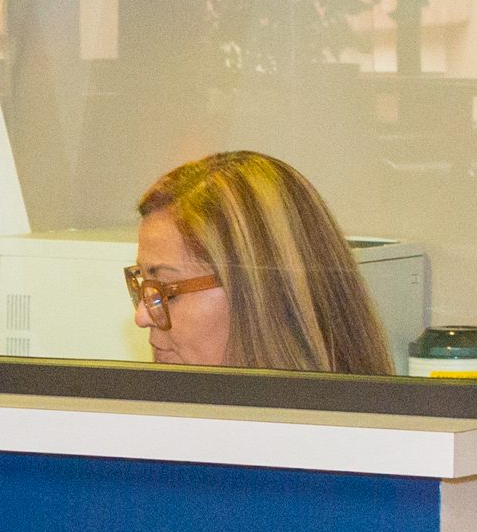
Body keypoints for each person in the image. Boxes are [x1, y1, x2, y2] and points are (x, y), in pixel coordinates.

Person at [127, 148, 397, 374]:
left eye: (168, 292)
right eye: (142, 285)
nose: (142, 316)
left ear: (261, 296)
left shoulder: (351, 435)